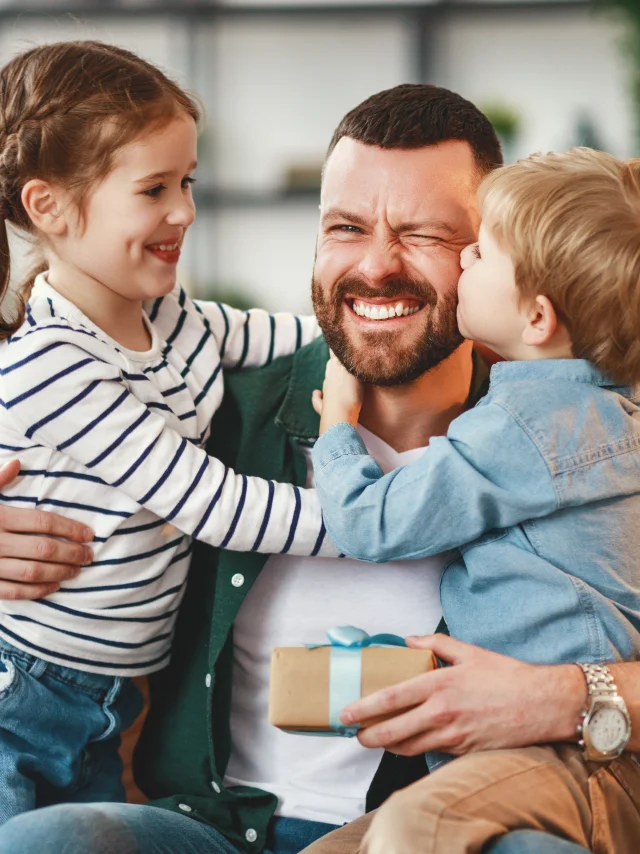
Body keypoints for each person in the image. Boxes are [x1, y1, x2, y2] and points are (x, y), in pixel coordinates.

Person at [0, 83, 629, 854]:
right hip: (208, 830)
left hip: (428, 830)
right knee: (55, 840)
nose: (375, 266)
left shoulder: (581, 448)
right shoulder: (204, 411)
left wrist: (566, 696)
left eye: (426, 234)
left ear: (496, 259)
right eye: (345, 227)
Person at [0, 40, 335, 827]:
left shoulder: (172, 317)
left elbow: (294, 337)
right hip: (21, 694)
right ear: (49, 207)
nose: (184, 210)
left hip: (108, 701)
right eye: (153, 189)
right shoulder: (51, 364)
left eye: (186, 182)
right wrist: (381, 521)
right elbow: (212, 503)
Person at [308, 147, 640, 853]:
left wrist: (337, 427)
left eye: (480, 253)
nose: (462, 264)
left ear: (539, 318)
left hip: (568, 758)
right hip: (561, 760)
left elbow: (372, 522)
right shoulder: (610, 415)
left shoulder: (524, 425)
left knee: (414, 826)